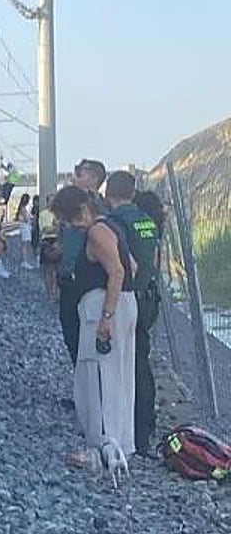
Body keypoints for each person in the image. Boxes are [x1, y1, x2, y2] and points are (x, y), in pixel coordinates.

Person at [51, 186, 138, 479]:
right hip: (123, 304)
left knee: (98, 377)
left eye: (67, 219)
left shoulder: (96, 232)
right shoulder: (114, 227)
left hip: (103, 307)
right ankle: (121, 445)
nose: (69, 226)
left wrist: (106, 316)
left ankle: (103, 447)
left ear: (82, 210)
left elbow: (117, 271)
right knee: (120, 376)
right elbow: (132, 266)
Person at [106, 173, 163, 457]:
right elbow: (153, 262)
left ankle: (126, 435)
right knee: (142, 364)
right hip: (148, 300)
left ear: (109, 193)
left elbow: (122, 265)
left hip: (126, 298)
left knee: (124, 367)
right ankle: (145, 432)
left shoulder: (116, 223)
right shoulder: (148, 222)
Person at [57, 159, 109, 366]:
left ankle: (90, 393)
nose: (76, 174)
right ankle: (82, 390)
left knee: (85, 339)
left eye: (81, 171)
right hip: (68, 280)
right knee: (72, 335)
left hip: (86, 282)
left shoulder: (98, 208)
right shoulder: (72, 204)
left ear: (95, 178)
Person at [39, 195, 62, 302]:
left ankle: (56, 293)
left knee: (58, 270)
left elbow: (62, 228)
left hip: (58, 241)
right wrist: (55, 227)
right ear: (47, 202)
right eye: (51, 201)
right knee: (48, 270)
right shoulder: (43, 214)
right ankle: (49, 294)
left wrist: (55, 228)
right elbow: (44, 230)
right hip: (47, 241)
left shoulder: (59, 214)